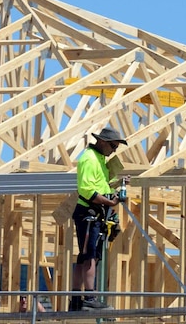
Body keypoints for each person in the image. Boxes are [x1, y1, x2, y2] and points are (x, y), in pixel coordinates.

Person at [70, 126, 127, 311]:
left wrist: (117, 186)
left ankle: (77, 299)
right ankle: (89, 298)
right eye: (113, 146)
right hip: (88, 213)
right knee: (89, 257)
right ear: (102, 141)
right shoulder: (89, 158)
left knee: (84, 256)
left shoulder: (100, 159)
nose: (114, 150)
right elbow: (87, 190)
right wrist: (111, 203)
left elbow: (101, 186)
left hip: (93, 214)